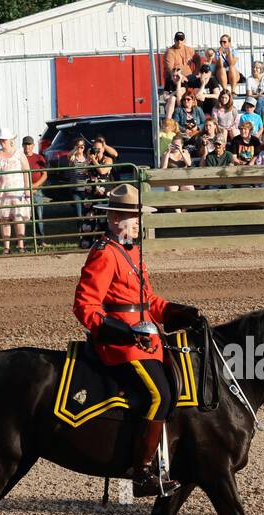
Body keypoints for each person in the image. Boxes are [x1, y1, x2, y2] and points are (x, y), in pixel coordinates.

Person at [72, 184, 201, 498]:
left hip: (147, 340)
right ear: (116, 219)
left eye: (138, 218)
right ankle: (140, 472)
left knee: (178, 386)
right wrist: (125, 333)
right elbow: (85, 307)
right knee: (159, 394)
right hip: (120, 345)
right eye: (133, 218)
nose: (138, 224)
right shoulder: (105, 254)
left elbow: (147, 301)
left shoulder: (132, 252)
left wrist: (177, 311)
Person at [0, 128, 30, 254]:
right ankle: (6, 247)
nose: (2, 142)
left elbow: (26, 172)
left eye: (4, 140)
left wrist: (27, 189)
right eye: (0, 140)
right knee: (4, 219)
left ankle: (20, 245)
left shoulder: (19, 154)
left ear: (10, 140)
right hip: (1, 193)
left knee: (19, 218)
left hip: (17, 192)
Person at [22, 135, 48, 239]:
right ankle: (20, 240)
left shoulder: (39, 158)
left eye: (29, 144)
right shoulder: (19, 158)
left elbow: (45, 174)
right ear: (22, 145)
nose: (27, 147)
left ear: (33, 145)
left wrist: (35, 186)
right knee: (21, 215)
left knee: (38, 215)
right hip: (23, 190)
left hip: (36, 190)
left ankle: (40, 239)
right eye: (25, 144)